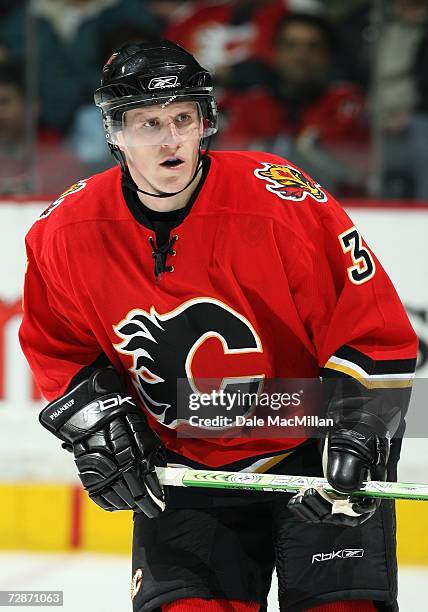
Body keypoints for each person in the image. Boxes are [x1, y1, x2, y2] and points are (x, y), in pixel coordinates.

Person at [19, 41, 418, 612]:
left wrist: (360, 431)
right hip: (184, 467)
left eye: (183, 118)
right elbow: (56, 345)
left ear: (204, 122)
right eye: (148, 122)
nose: (170, 139)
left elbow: (373, 326)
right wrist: (98, 422)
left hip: (313, 447)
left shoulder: (277, 198)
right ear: (114, 133)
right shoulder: (64, 232)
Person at [218, 12, 370, 196]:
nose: (301, 56)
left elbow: (349, 174)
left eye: (313, 47)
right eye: (291, 46)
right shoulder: (252, 104)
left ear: (328, 55)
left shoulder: (346, 103)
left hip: (337, 209)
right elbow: (232, 165)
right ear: (276, 52)